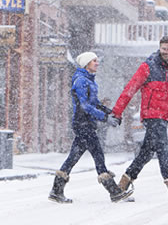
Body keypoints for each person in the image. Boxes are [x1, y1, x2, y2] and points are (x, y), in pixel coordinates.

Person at [109, 35, 168, 202]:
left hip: (164, 117)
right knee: (164, 148)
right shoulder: (147, 67)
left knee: (146, 153)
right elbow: (130, 89)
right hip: (151, 116)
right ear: (159, 47)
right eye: (163, 48)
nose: (165, 52)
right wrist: (117, 112)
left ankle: (122, 185)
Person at [48, 51, 133, 204]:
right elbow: (85, 106)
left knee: (73, 157)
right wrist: (105, 118)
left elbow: (95, 103)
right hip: (83, 124)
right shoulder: (81, 81)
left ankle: (56, 190)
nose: (97, 63)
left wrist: (110, 112)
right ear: (86, 64)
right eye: (94, 61)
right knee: (98, 156)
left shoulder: (89, 81)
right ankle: (114, 192)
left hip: (86, 124)